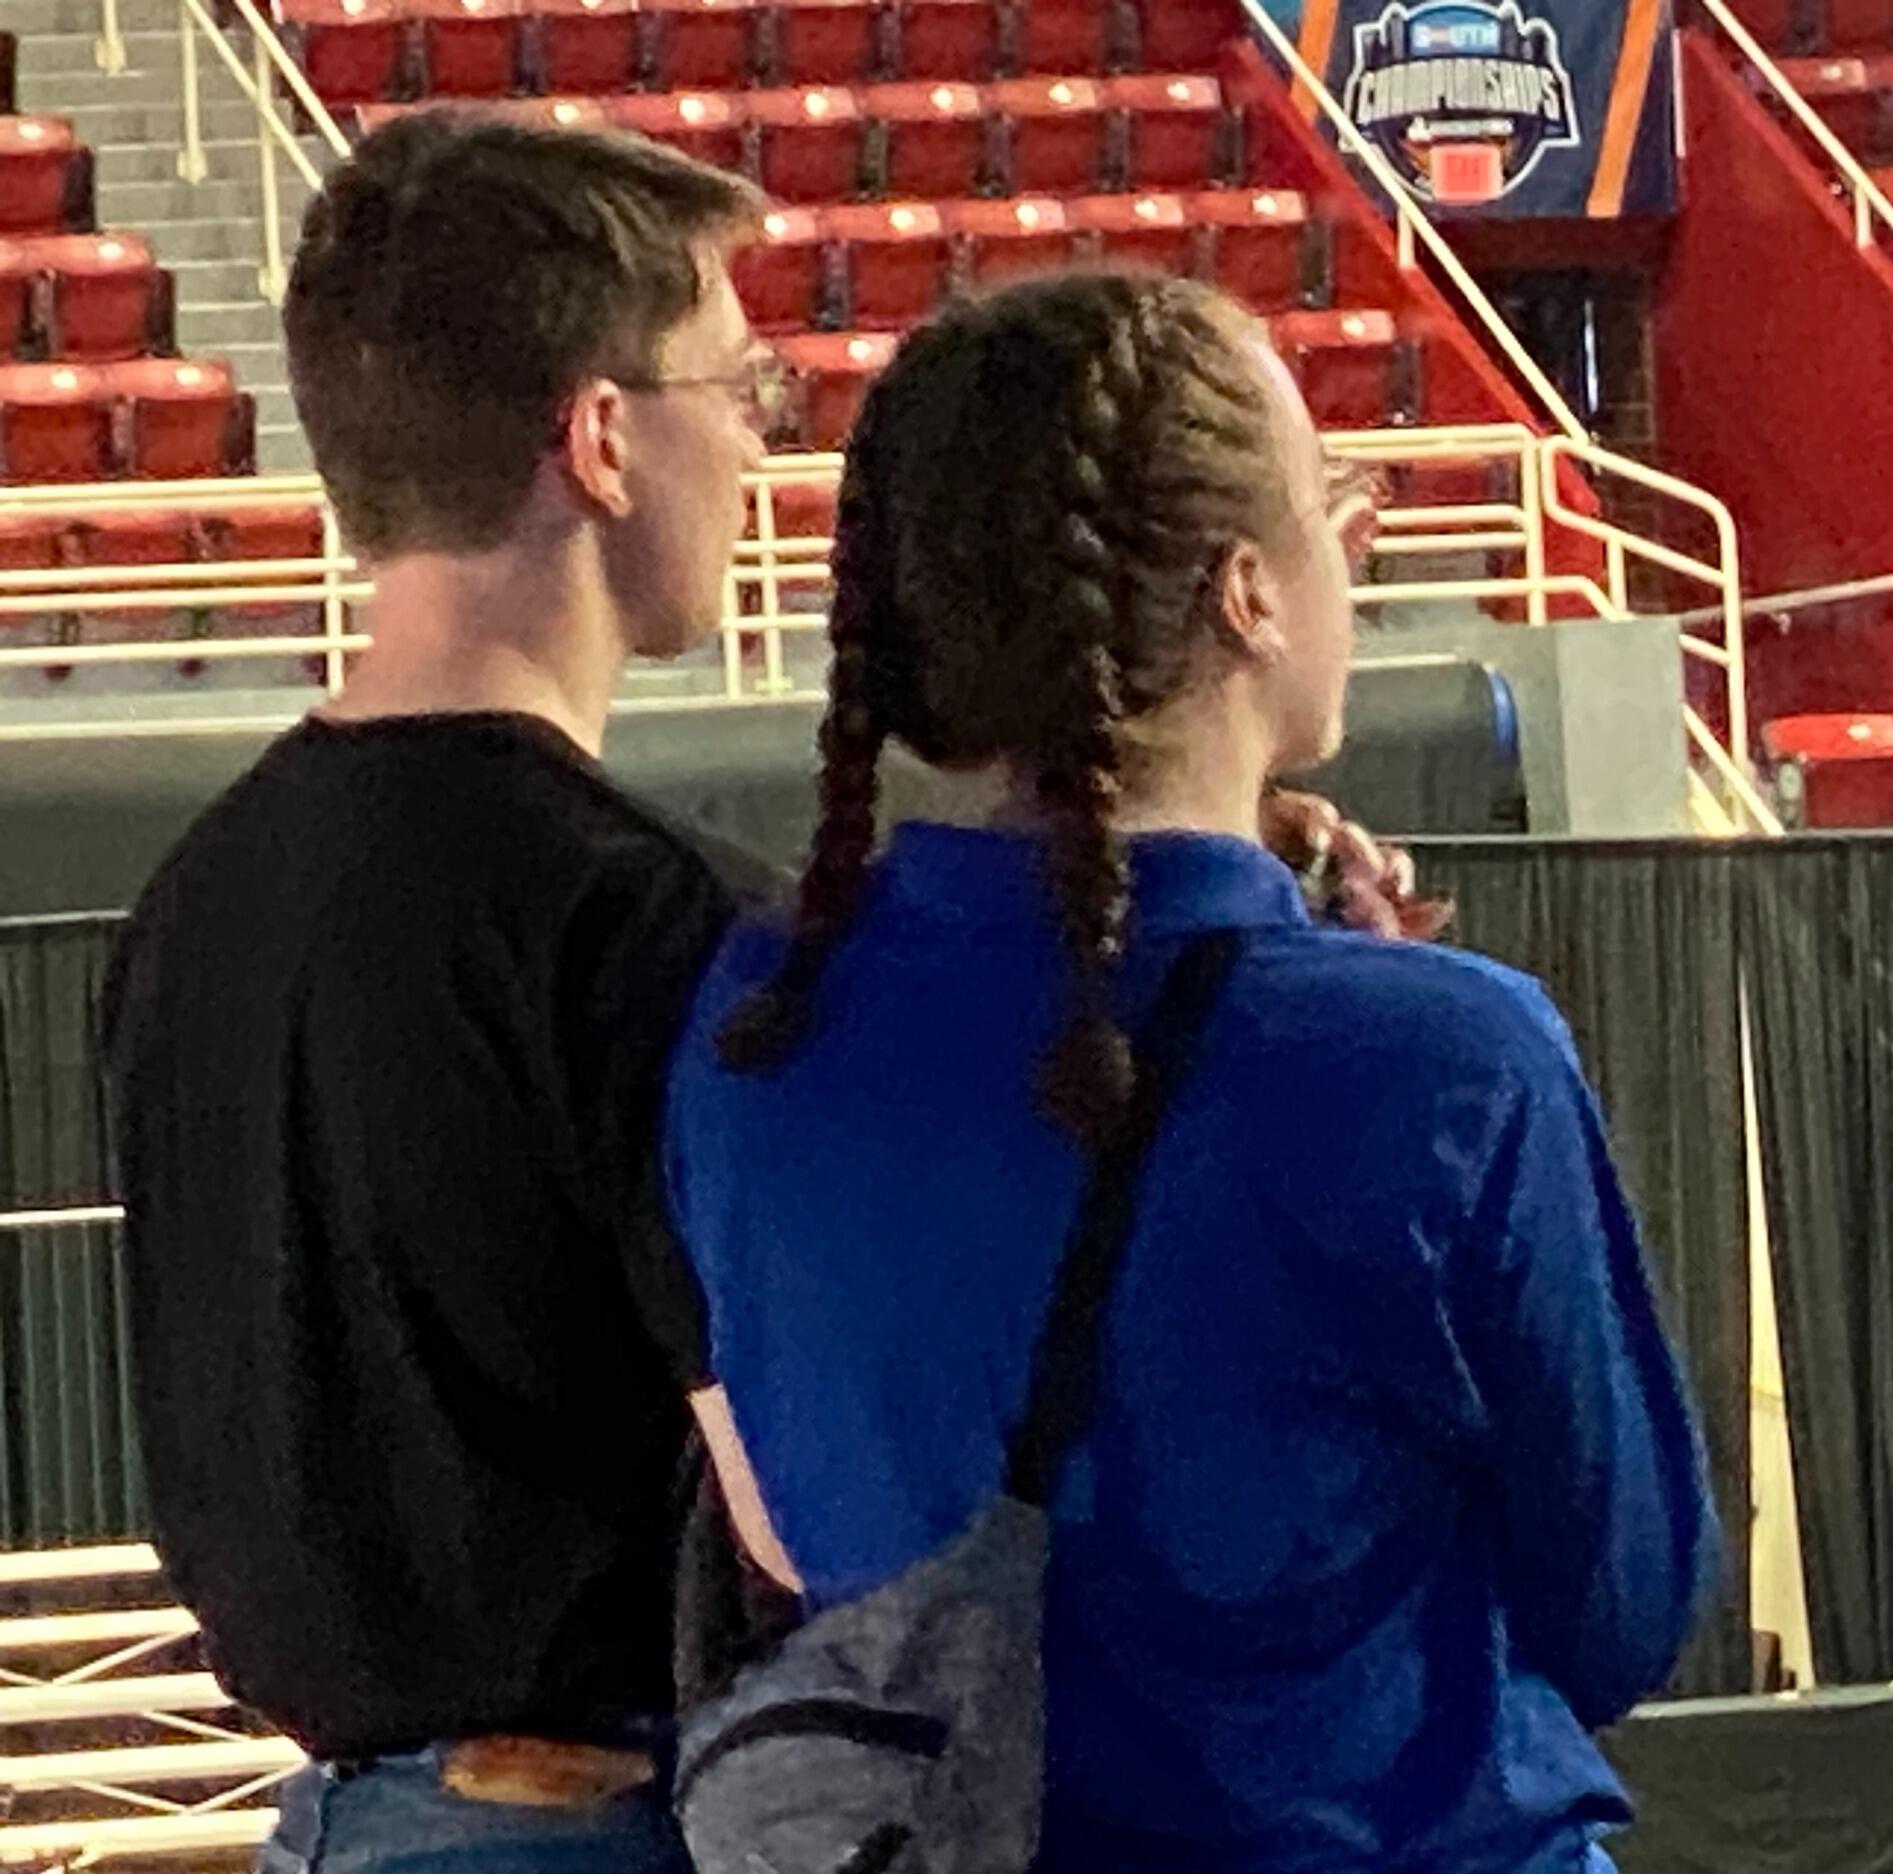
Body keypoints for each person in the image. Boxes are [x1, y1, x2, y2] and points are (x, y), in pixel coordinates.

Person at [105, 116, 1437, 1874]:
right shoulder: (648, 932)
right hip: (603, 1828)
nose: (756, 447)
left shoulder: (191, 902)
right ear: (597, 439)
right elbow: (803, 1518)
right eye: (737, 392)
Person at [664, 271, 1717, 1874]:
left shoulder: (750, 1031)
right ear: (1247, 593)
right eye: (1332, 511)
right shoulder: (1452, 1061)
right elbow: (1627, 1606)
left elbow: (803, 1522)